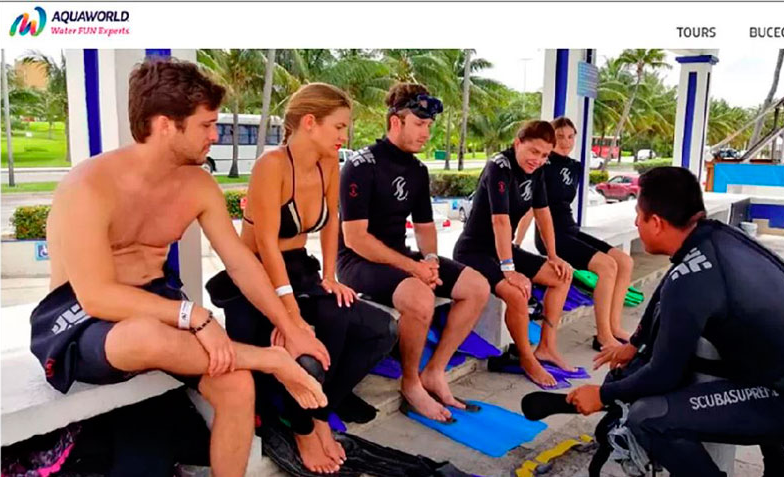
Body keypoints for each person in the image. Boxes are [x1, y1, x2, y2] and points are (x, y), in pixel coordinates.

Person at [29, 58, 327, 477]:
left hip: (157, 299)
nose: (215, 134)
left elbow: (241, 263)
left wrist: (291, 325)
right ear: (166, 124)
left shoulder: (197, 185)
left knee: (236, 385)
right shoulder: (88, 186)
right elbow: (96, 294)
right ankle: (267, 360)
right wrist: (194, 315)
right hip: (79, 315)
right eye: (206, 125)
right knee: (146, 335)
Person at [567, 167, 784, 477]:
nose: (636, 222)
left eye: (639, 214)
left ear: (657, 223)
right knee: (722, 350)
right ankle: (780, 469)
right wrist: (635, 344)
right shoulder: (714, 236)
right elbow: (668, 282)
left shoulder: (692, 281)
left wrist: (602, 395)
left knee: (649, 417)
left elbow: (663, 374)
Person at [206, 83, 397, 474]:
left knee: (381, 330)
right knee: (312, 345)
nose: (345, 136)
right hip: (256, 278)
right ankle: (305, 428)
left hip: (301, 270)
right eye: (339, 127)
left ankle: (321, 411)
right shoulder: (271, 166)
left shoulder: (329, 164)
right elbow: (266, 246)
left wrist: (330, 275)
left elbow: (332, 223)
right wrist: (289, 316)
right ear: (310, 123)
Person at [337, 83, 491, 422]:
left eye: (429, 126)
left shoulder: (418, 171)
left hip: (398, 256)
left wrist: (431, 261)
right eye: (420, 124)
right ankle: (410, 383)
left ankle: (434, 371)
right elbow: (355, 239)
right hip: (357, 261)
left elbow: (423, 227)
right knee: (420, 298)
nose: (426, 133)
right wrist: (414, 269)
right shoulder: (362, 166)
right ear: (396, 122)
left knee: (477, 287)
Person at [453, 120, 574, 388]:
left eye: (544, 155)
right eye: (533, 151)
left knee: (561, 276)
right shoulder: (499, 166)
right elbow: (500, 221)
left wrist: (553, 255)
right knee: (516, 292)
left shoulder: (538, 170)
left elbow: (543, 213)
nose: (538, 159)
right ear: (517, 143)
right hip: (475, 250)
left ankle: (546, 347)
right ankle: (527, 358)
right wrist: (508, 269)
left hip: (504, 249)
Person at [514, 117, 633, 351]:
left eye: (570, 137)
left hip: (571, 228)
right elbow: (531, 207)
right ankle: (604, 336)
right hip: (553, 235)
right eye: (560, 137)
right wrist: (516, 242)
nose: (566, 142)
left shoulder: (575, 167)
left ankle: (615, 326)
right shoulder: (542, 165)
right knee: (607, 266)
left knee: (625, 262)